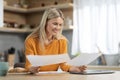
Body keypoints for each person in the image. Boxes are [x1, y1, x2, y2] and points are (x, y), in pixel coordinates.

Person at [24, 7, 86, 74]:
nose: (58, 28)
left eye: (60, 25)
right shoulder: (31, 41)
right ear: (45, 22)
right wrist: (32, 69)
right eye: (55, 24)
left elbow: (64, 65)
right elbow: (28, 65)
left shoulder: (62, 41)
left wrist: (73, 68)